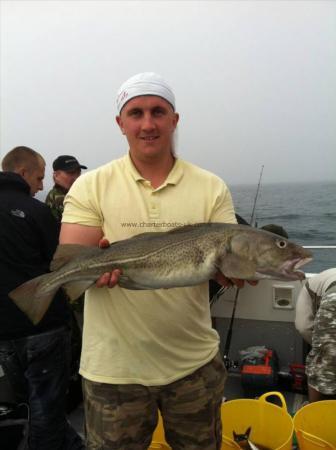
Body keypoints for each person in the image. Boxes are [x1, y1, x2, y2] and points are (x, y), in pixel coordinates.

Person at [60, 72, 255, 450]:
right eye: (136, 113)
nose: (147, 123)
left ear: (174, 120)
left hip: (194, 366)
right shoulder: (91, 185)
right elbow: (71, 257)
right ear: (121, 123)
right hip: (113, 371)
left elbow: (230, 256)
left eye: (158, 112)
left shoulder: (211, 186)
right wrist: (94, 263)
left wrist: (242, 270)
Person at [0, 146, 84, 449]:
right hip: (42, 328)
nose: (40, 185)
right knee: (46, 410)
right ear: (22, 173)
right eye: (38, 178)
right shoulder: (38, 211)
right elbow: (60, 261)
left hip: (4, 335)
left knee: (27, 401)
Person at [295, 268, 336, 402]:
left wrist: (320, 347)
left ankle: (314, 411)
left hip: (333, 297)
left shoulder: (309, 287)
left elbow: (303, 328)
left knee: (322, 361)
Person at [45, 155, 87, 223]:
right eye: (71, 173)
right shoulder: (56, 196)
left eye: (78, 172)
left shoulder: (77, 193)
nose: (76, 177)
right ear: (56, 175)